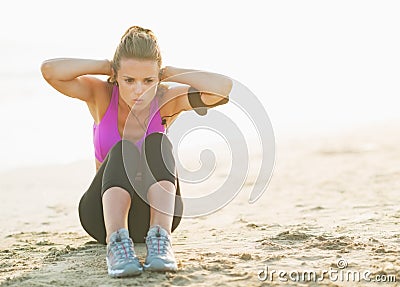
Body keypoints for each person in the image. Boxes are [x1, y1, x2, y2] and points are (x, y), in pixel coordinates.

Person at [40, 25, 232, 277]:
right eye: (129, 80)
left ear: (157, 78)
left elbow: (222, 88)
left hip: (154, 217)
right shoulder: (101, 95)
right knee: (124, 150)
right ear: (117, 77)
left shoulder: (165, 101)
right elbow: (50, 71)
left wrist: (169, 73)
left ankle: (161, 242)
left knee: (158, 143)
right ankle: (117, 244)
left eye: (148, 80)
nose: (139, 90)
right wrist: (108, 66)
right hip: (102, 217)